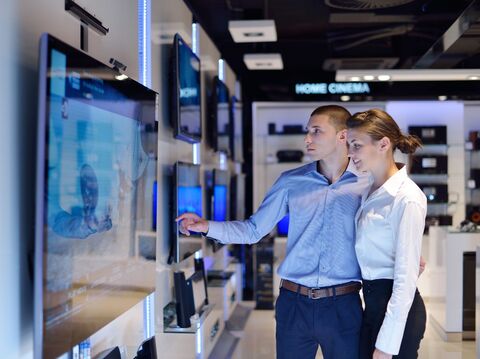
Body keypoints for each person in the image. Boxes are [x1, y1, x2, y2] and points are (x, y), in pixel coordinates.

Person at [177, 105, 371, 359]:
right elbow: (253, 230)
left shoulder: (367, 183)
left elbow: (381, 231)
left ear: (342, 136)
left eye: (316, 131)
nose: (307, 138)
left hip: (344, 305)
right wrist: (206, 226)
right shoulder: (290, 181)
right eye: (307, 131)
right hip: (294, 303)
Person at [346, 109, 427, 359]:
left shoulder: (408, 198)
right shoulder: (367, 188)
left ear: (383, 144)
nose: (350, 153)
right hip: (371, 304)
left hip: (396, 310)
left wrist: (386, 345)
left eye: (356, 145)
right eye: (349, 145)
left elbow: (404, 281)